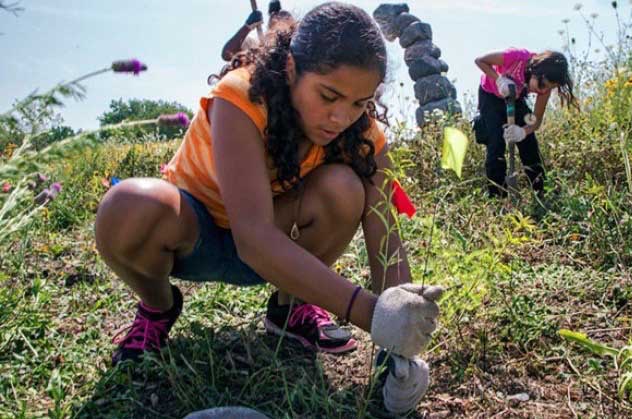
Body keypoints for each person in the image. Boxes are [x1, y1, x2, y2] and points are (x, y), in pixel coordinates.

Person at [94, 4, 443, 406]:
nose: (340, 117)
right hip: (195, 234)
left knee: (345, 188)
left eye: (359, 103)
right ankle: (158, 307)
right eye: (329, 95)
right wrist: (372, 314)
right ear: (292, 68)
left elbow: (386, 234)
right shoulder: (240, 96)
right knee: (128, 205)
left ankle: (289, 310)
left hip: (280, 244)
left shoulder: (363, 133)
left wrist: (400, 335)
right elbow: (252, 237)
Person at [473, 49, 577, 197]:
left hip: (516, 98)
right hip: (490, 95)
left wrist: (523, 132)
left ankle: (541, 192)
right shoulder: (517, 57)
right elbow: (480, 60)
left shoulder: (544, 88)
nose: (543, 90)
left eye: (549, 88)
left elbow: (536, 120)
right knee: (496, 142)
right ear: (536, 70)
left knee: (529, 142)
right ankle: (498, 197)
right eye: (542, 85)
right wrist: (499, 80)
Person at [221, 0, 296, 61]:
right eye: (275, 22)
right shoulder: (255, 44)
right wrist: (247, 26)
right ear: (268, 28)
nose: (279, 26)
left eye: (284, 21)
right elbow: (227, 54)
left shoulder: (298, 49)